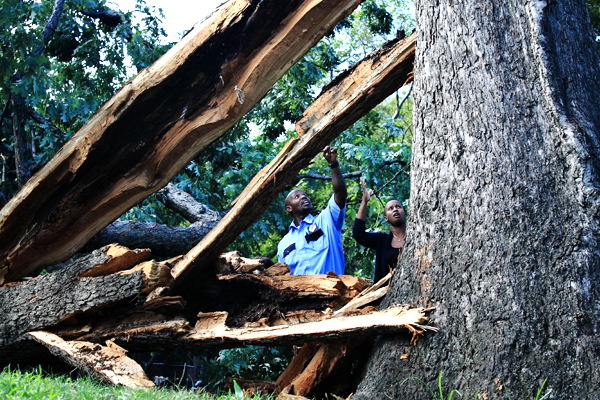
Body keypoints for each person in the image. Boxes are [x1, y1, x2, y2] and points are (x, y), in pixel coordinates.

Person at [258, 145, 347, 275]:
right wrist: (268, 264)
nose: (304, 196)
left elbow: (340, 194)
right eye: (297, 196)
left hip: (336, 292)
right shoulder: (283, 244)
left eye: (304, 195)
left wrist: (333, 164)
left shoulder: (327, 220)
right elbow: (284, 278)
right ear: (289, 208)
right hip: (304, 294)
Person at [352, 178, 406, 283]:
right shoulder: (382, 240)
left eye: (398, 207)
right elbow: (358, 234)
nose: (395, 209)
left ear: (405, 212)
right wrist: (364, 202)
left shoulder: (417, 236)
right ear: (386, 218)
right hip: (387, 295)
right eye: (390, 208)